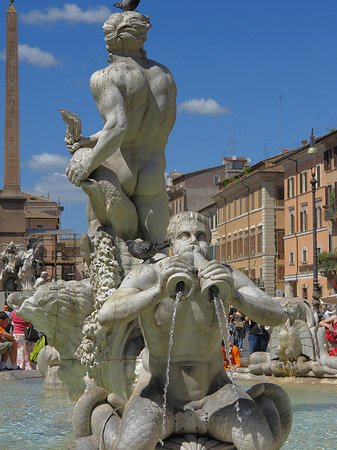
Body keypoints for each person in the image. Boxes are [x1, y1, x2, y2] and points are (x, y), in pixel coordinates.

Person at [92, 212, 290, 450]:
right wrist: (158, 292)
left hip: (215, 394)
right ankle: (103, 417)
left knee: (260, 443)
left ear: (210, 241)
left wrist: (234, 296)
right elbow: (106, 315)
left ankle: (261, 408)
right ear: (172, 243)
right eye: (185, 235)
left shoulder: (225, 275)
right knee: (130, 445)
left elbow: (278, 316)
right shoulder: (151, 273)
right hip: (160, 394)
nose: (194, 241)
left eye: (201, 236)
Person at [64, 11, 177, 242]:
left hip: (119, 170)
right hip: (153, 172)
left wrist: (87, 162)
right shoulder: (164, 77)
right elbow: (138, 126)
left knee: (104, 246)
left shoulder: (106, 76)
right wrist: (90, 140)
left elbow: (118, 127)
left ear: (108, 41)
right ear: (142, 37)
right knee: (159, 255)